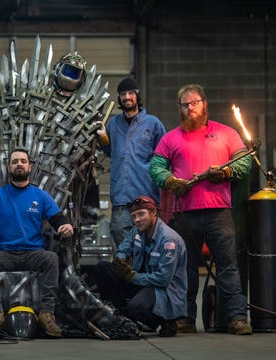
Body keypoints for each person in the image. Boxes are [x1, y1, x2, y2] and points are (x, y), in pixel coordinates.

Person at [149, 84, 253, 335]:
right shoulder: (170, 138)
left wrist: (225, 172)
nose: (189, 107)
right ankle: (185, 318)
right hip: (185, 214)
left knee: (228, 266)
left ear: (204, 104)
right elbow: (155, 167)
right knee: (186, 269)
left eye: (194, 102)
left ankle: (237, 318)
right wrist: (172, 181)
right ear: (180, 108)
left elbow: (245, 161)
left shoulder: (227, 134)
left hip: (219, 212)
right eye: (185, 104)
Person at [0, 147, 74, 338]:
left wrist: (65, 226)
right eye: (15, 161)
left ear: (29, 166)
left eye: (23, 161)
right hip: (6, 254)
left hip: (33, 253)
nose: (19, 164)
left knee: (51, 258)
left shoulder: (40, 196)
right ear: (9, 167)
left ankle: (46, 315)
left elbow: (57, 218)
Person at [94, 196, 187, 337]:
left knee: (136, 308)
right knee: (103, 268)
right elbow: (123, 249)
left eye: (141, 214)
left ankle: (165, 320)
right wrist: (120, 260)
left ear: (153, 213)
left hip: (163, 290)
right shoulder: (137, 231)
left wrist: (132, 276)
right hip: (143, 283)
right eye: (134, 216)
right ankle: (123, 319)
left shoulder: (169, 240)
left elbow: (163, 279)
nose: (137, 219)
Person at [95, 77, 166, 252]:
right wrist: (102, 138)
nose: (127, 97)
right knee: (122, 247)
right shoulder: (113, 124)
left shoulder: (153, 124)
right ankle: (128, 279)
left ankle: (148, 279)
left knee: (151, 246)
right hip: (121, 200)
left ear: (137, 95)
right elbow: (109, 151)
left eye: (130, 93)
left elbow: (164, 157)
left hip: (146, 197)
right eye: (123, 94)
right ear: (119, 98)